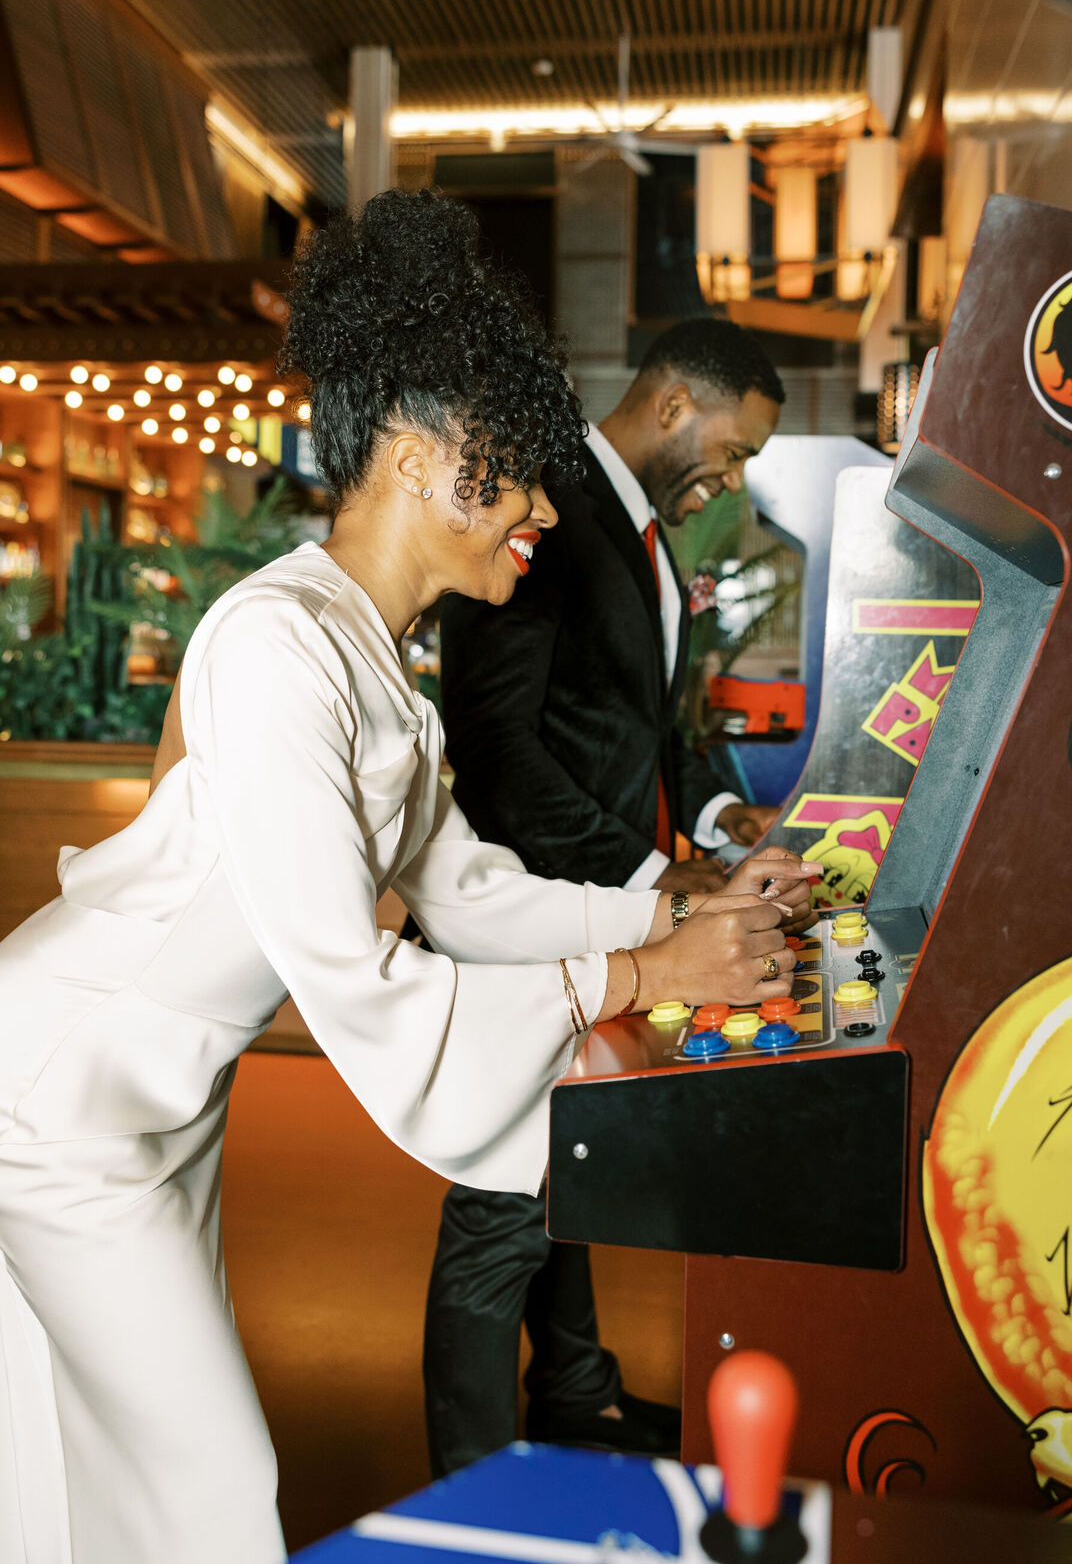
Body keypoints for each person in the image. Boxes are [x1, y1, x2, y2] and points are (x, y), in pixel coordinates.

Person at [0, 192, 813, 1564]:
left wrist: (669, 911)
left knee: (84, 1458)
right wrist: (637, 973)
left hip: (158, 1100)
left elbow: (470, 892)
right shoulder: (275, 645)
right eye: (523, 475)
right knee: (206, 1476)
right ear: (429, 455)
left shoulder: (373, 654)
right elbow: (349, 970)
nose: (545, 508)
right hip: (61, 1096)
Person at [424, 318, 804, 1476]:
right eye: (731, 451)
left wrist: (712, 822)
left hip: (600, 906)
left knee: (561, 1160)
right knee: (498, 1209)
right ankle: (472, 1482)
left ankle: (576, 1390)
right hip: (524, 913)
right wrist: (649, 882)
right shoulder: (544, 513)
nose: (730, 480)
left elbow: (635, 729)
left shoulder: (635, 532)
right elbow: (497, 745)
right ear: (677, 404)